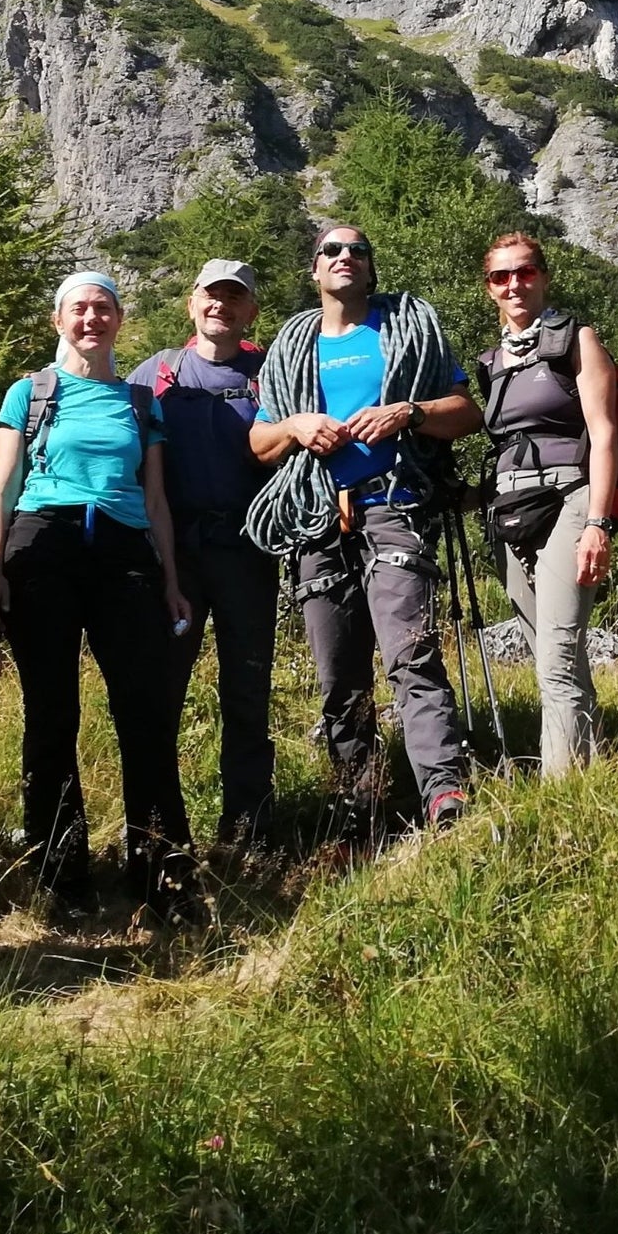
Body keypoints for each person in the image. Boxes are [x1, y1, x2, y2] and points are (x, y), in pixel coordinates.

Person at [0, 272, 204, 923]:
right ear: (58, 320)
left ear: (119, 319)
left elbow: (156, 497)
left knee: (146, 713)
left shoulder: (139, 402)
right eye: (79, 308)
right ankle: (62, 880)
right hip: (42, 546)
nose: (91, 318)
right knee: (53, 714)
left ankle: (163, 874)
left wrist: (169, 580)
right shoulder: (31, 392)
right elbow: (0, 488)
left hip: (124, 552)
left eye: (103, 308)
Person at [246, 223, 481, 837]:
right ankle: (362, 803)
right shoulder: (291, 345)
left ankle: (443, 792)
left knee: (411, 653)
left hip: (393, 507)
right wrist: (296, 426)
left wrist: (411, 411)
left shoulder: (407, 326)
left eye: (358, 250)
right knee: (338, 673)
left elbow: (466, 411)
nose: (345, 257)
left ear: (371, 268)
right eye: (332, 250)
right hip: (318, 518)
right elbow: (259, 441)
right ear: (315, 269)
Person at [129, 260, 277, 850]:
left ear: (250, 313)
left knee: (247, 690)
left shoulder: (272, 373)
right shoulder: (157, 372)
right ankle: (158, 833)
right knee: (161, 689)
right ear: (193, 304)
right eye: (212, 296)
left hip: (247, 552)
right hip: (173, 560)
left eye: (234, 298)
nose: (221, 306)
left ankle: (246, 831)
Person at [474, 233, 618, 777]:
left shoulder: (576, 341)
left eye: (525, 272)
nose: (515, 284)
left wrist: (598, 525)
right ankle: (590, 770)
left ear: (544, 276)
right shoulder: (493, 362)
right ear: (489, 288)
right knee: (555, 653)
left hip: (569, 503)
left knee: (556, 656)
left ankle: (559, 794)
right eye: (501, 276)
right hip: (511, 514)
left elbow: (606, 436)